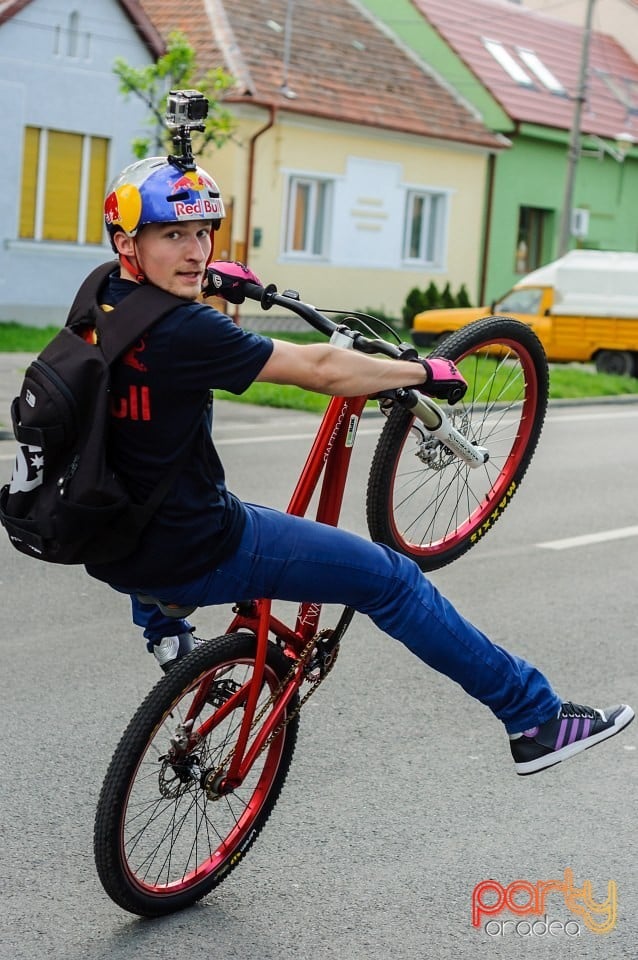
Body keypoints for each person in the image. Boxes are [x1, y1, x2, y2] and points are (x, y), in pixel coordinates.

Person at [86, 154, 634, 777]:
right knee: (391, 581)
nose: (196, 250)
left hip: (108, 540)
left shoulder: (101, 298)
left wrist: (208, 284)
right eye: (173, 235)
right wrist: (422, 370)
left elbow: (167, 340)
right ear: (130, 242)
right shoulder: (186, 335)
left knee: (171, 460)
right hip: (190, 547)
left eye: (204, 231)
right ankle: (535, 718)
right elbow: (323, 370)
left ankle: (162, 626)